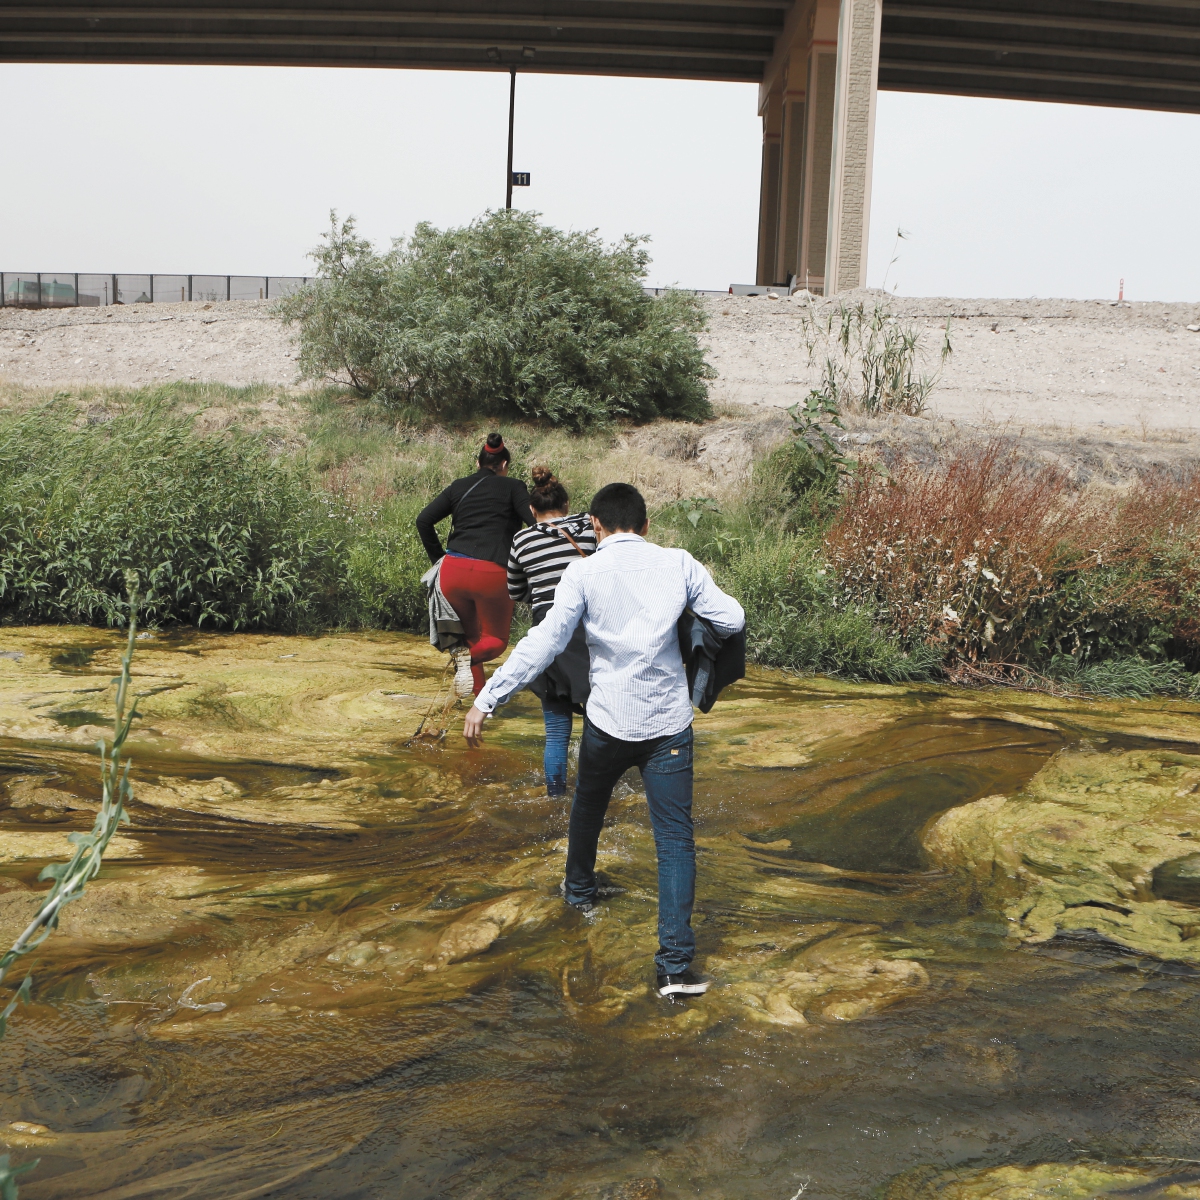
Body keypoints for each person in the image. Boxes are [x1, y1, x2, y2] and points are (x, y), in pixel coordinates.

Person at [463, 482, 745, 999]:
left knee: (588, 808)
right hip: (668, 725)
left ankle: (578, 890)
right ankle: (675, 970)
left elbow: (544, 639)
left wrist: (489, 698)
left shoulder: (584, 572)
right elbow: (733, 618)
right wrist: (692, 635)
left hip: (608, 721)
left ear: (594, 525)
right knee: (676, 842)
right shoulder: (679, 563)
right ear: (646, 525)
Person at [416, 433, 532, 696]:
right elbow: (533, 525)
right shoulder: (514, 487)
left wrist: (439, 560)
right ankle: (466, 661)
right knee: (496, 642)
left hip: (453, 571)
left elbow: (423, 520)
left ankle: (476, 701)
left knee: (470, 639)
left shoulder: (459, 486)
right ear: (503, 466)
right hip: (492, 572)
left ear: (478, 464)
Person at [506, 466, 597, 797]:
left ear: (532, 511)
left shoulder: (522, 539)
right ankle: (593, 794)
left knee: (557, 731)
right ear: (567, 503)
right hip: (588, 633)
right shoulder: (589, 526)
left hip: (548, 632)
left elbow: (516, 591)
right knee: (597, 724)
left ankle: (555, 797)